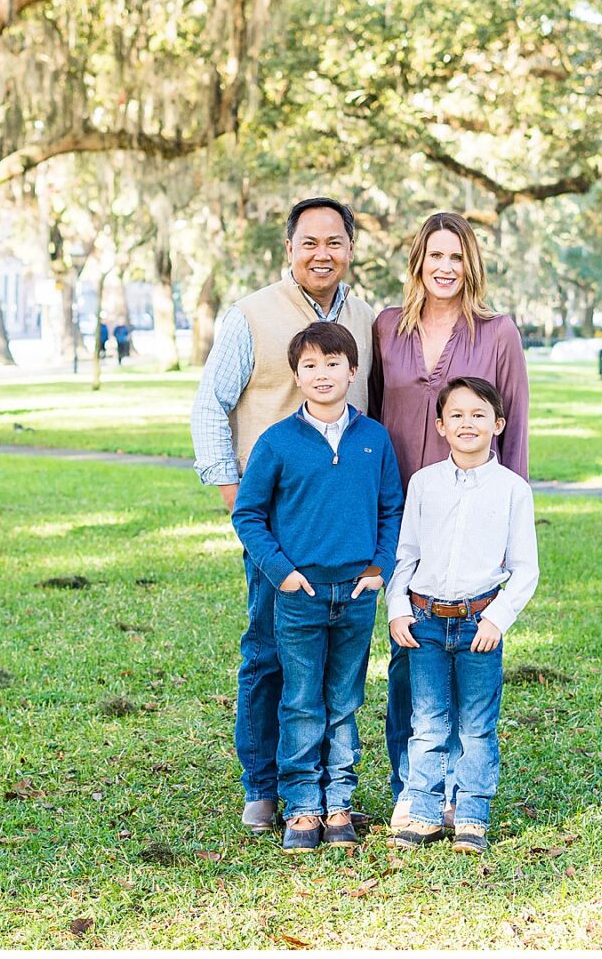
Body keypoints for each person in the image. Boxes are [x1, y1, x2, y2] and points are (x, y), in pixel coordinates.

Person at [190, 197, 377, 836]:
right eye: (309, 242)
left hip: (342, 528)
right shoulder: (251, 315)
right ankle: (265, 786)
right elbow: (211, 404)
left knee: (333, 669)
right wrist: (228, 488)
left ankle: (328, 787)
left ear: (350, 248)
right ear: (289, 250)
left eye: (335, 242)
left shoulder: (368, 319)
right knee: (268, 650)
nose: (322, 253)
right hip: (274, 521)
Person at [367, 210, 529, 832]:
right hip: (404, 511)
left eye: (456, 257)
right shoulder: (386, 329)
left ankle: (464, 792)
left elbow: (512, 435)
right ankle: (412, 787)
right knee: (410, 654)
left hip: (475, 516)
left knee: (468, 671)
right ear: (417, 262)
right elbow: (373, 418)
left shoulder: (498, 333)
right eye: (434, 255)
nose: (445, 267)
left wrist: (506, 516)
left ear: (472, 265)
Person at [231, 322, 403, 852]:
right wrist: (282, 572)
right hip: (299, 595)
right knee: (302, 700)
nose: (322, 374)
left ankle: (339, 802)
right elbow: (249, 514)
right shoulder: (278, 441)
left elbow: (391, 508)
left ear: (354, 372)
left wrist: (378, 568)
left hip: (355, 595)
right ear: (296, 375)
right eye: (310, 365)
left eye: (333, 364)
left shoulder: (374, 438)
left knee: (345, 700)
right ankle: (303, 803)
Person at [383, 377, 538, 854]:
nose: (467, 423)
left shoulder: (513, 490)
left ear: (498, 424)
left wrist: (497, 619)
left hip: (479, 625)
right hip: (425, 621)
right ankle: (425, 812)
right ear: (440, 426)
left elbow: (526, 568)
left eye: (478, 415)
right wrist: (396, 610)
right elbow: (404, 555)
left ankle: (471, 813)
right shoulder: (424, 483)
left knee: (476, 725)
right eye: (456, 415)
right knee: (427, 721)